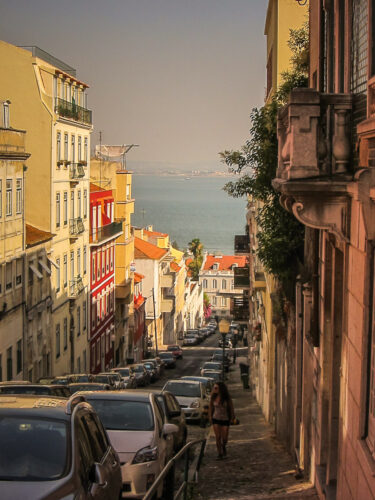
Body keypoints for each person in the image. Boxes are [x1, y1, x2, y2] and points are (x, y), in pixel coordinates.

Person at [209, 381, 235, 459]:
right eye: (214, 388)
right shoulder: (213, 397)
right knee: (218, 437)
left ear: (221, 389)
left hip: (225, 419)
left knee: (224, 438)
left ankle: (223, 446)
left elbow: (231, 407)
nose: (214, 389)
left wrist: (232, 417)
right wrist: (210, 417)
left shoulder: (227, 398)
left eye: (216, 388)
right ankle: (219, 453)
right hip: (216, 418)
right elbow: (210, 407)